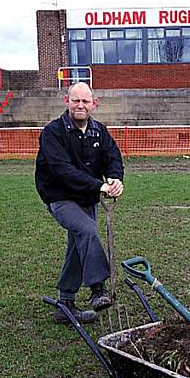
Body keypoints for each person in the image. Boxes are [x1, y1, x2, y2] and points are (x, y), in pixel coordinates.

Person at [35, 82, 124, 324]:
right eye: (76, 100)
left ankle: (65, 303)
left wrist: (115, 178)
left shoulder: (98, 131)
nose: (81, 105)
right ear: (67, 102)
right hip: (60, 196)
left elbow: (112, 157)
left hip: (86, 197)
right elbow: (62, 171)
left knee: (78, 243)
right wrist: (99, 186)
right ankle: (98, 289)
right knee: (86, 231)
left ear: (94, 104)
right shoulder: (53, 132)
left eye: (86, 101)